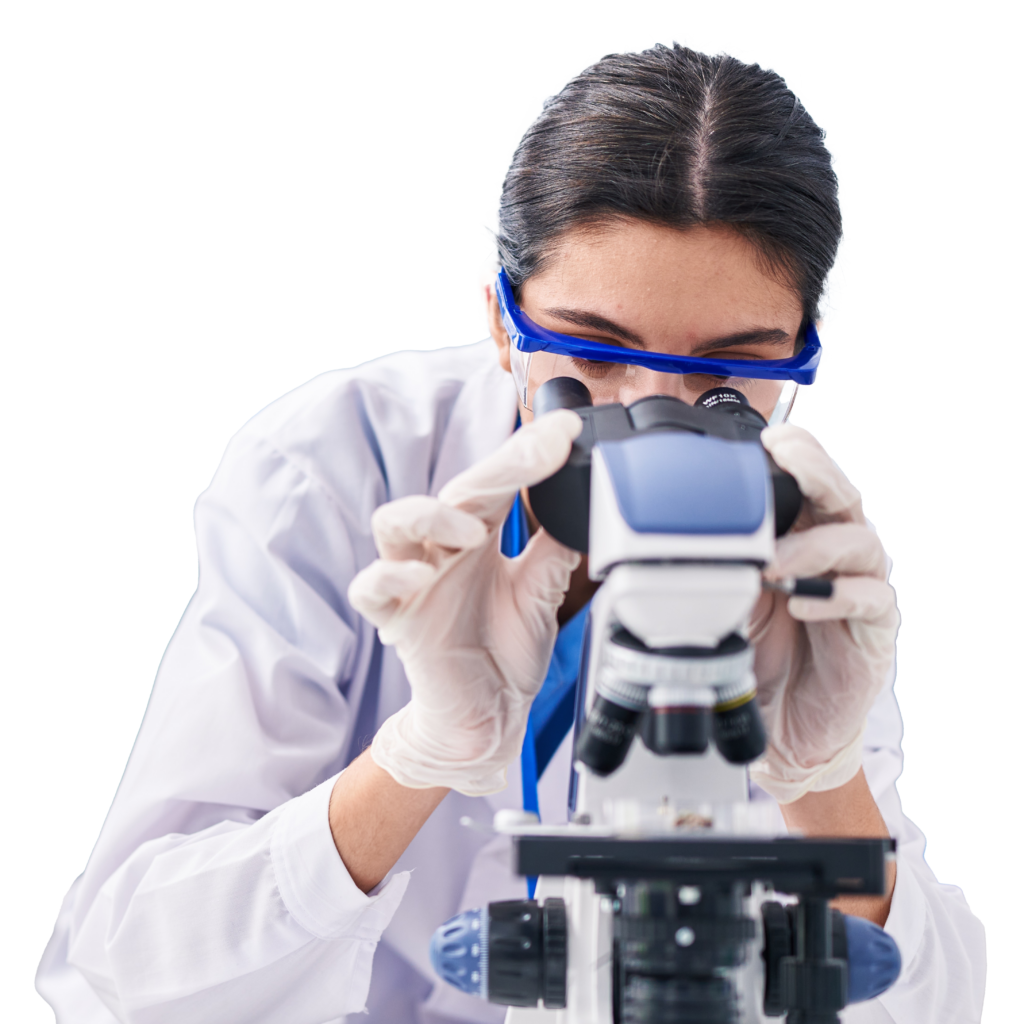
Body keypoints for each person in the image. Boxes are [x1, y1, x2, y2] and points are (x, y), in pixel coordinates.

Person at [35, 37, 986, 1024]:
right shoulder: (332, 462)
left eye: (727, 377)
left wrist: (818, 780)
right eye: (595, 355)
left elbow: (932, 1002)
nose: (649, 414)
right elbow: (127, 974)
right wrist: (419, 753)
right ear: (499, 313)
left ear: (803, 357)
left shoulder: (804, 542)